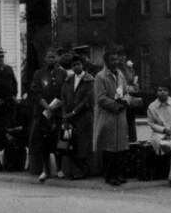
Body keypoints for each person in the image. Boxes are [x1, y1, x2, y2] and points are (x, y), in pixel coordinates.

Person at [93, 49, 142, 186]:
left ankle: (119, 174)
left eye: (116, 59)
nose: (115, 62)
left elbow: (126, 91)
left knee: (120, 147)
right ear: (106, 61)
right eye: (112, 60)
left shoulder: (120, 74)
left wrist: (125, 101)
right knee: (109, 148)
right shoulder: (100, 77)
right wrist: (116, 105)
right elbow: (101, 99)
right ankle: (109, 176)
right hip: (107, 116)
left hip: (120, 116)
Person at [29, 48, 67, 180]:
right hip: (44, 113)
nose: (52, 59)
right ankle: (46, 170)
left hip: (58, 113)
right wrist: (46, 106)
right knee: (44, 142)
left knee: (59, 142)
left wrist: (61, 104)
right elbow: (36, 92)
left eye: (54, 57)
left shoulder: (62, 73)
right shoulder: (38, 74)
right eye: (49, 57)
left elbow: (65, 91)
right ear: (45, 59)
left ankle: (60, 169)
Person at [60, 55, 95, 180]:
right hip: (70, 117)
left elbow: (88, 100)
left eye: (78, 64)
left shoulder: (89, 80)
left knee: (83, 144)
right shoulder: (68, 80)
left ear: (82, 65)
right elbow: (63, 97)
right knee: (71, 144)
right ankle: (74, 170)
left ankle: (82, 170)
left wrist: (74, 112)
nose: (76, 67)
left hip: (84, 117)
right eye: (73, 65)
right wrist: (65, 114)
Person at [147, 82, 171, 186]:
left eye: (165, 90)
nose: (162, 92)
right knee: (166, 144)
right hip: (160, 133)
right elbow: (151, 123)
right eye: (160, 90)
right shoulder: (152, 106)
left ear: (168, 91)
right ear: (156, 92)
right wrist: (164, 130)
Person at [117, 47, 141, 143]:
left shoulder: (129, 67)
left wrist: (135, 86)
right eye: (120, 56)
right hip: (120, 96)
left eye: (123, 55)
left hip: (130, 97)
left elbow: (134, 80)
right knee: (122, 121)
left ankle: (132, 141)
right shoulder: (115, 68)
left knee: (130, 120)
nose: (122, 58)